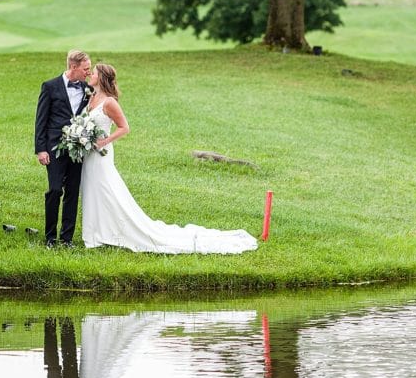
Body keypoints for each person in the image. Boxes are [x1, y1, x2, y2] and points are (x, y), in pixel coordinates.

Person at [81, 63, 258, 254]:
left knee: (106, 189)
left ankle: (112, 231)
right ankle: (96, 231)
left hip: (102, 154)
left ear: (101, 77)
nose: (90, 74)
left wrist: (104, 141)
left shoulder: (109, 102)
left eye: (94, 72)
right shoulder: (90, 97)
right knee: (92, 189)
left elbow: (125, 127)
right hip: (88, 154)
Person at [35, 50, 92, 248]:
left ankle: (66, 238)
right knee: (55, 189)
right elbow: (40, 120)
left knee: (72, 192)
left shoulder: (88, 89)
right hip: (54, 147)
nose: (88, 72)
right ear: (73, 67)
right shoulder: (50, 86)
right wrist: (40, 149)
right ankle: (50, 237)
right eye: (86, 69)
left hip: (78, 148)